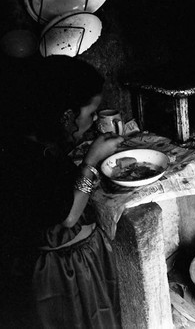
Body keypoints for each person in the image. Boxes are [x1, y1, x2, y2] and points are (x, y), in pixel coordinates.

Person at [0, 55, 123, 328]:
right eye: (90, 114)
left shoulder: (35, 140)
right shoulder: (27, 158)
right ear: (67, 115)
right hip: (63, 273)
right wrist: (91, 161)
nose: (93, 121)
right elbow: (68, 215)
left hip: (76, 262)